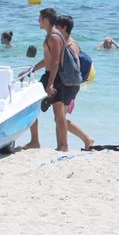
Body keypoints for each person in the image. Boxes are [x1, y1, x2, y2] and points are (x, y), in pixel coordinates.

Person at [26, 8, 78, 151]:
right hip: (53, 76)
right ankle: (60, 145)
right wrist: (32, 69)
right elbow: (48, 59)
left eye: (40, 18)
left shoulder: (53, 36)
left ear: (46, 19)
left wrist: (50, 84)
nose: (38, 20)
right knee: (57, 113)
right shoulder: (54, 35)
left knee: (43, 107)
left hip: (54, 77)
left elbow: (55, 61)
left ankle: (54, 145)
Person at [55, 14, 93, 149]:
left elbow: (75, 67)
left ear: (64, 28)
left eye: (57, 26)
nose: (54, 29)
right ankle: (65, 145)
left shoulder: (70, 45)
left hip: (69, 85)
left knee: (60, 118)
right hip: (70, 84)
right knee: (60, 118)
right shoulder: (66, 42)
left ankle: (85, 139)